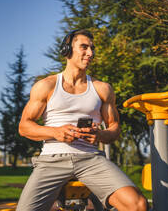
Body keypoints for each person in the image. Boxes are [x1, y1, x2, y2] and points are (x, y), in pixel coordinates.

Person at [17, 29, 148, 211]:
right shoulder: (46, 85)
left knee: (138, 205)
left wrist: (100, 135)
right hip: (52, 160)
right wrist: (55, 132)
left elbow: (115, 128)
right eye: (84, 47)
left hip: (91, 160)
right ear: (67, 50)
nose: (91, 53)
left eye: (92, 48)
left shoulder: (102, 89)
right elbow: (24, 126)